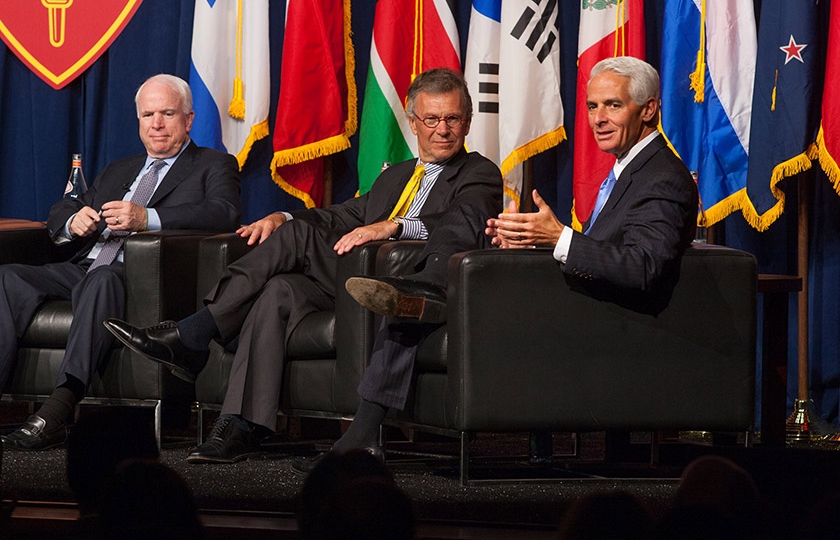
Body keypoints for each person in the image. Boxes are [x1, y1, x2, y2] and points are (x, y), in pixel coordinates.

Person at [103, 67, 503, 464]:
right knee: (278, 290)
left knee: (295, 242)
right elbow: (342, 216)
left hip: (399, 280)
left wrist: (394, 225)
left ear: (466, 122)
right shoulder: (394, 176)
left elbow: (465, 223)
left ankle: (195, 333)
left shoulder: (479, 172)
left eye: (452, 119)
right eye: (431, 119)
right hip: (351, 280)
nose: (442, 129)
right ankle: (240, 424)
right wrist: (284, 217)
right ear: (414, 124)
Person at [321, 56, 698, 473]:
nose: (598, 119)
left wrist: (558, 238)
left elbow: (642, 267)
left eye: (613, 105)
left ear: (648, 110)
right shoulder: (630, 171)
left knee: (423, 301)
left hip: (612, 322)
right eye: (592, 107)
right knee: (418, 302)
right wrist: (530, 243)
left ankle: (363, 435)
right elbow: (608, 251)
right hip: (585, 304)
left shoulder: (661, 177)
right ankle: (371, 419)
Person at [0, 74, 241, 451]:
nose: (156, 124)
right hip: (85, 266)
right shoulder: (119, 169)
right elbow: (68, 204)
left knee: (102, 282)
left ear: (189, 119)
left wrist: (148, 218)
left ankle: (59, 408)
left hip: (142, 277)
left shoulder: (213, 164)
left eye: (167, 113)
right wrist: (71, 219)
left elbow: (223, 213)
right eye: (148, 115)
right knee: (8, 278)